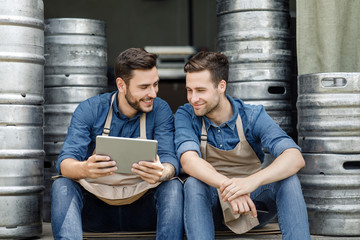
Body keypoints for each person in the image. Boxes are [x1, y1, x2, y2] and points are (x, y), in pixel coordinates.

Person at [174, 51, 311, 240]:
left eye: (200, 90)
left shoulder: (252, 116)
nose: (193, 98)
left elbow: (294, 157)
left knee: (288, 179)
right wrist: (230, 188)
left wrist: (250, 182)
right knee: (193, 184)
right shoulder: (186, 115)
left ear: (221, 86)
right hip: (212, 209)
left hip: (252, 208)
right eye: (189, 90)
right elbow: (189, 161)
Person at [51, 48, 183, 240]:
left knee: (173, 186)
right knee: (62, 185)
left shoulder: (160, 109)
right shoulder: (90, 109)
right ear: (121, 85)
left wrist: (164, 171)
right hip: (96, 209)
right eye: (144, 87)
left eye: (156, 84)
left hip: (142, 209)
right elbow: (65, 164)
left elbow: (170, 158)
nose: (153, 93)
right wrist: (86, 168)